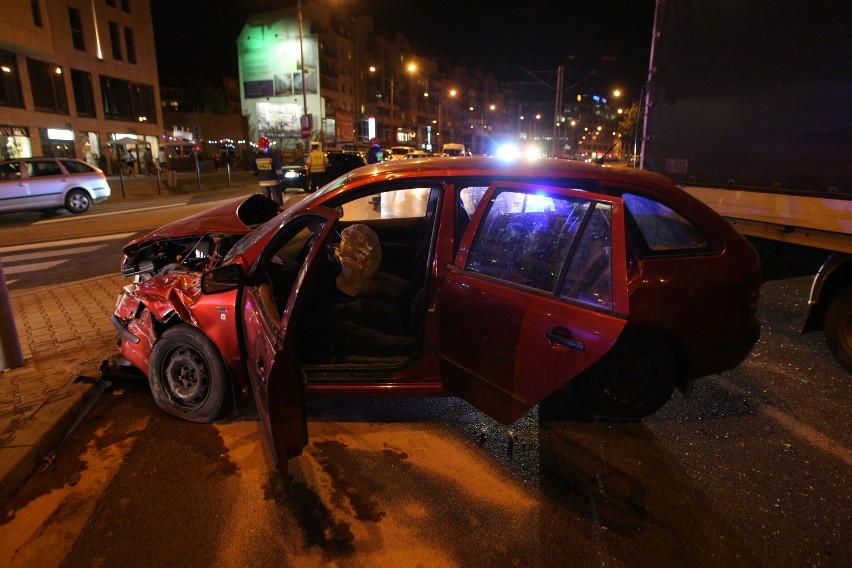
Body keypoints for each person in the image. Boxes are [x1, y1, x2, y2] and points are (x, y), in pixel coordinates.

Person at [250, 136, 284, 205]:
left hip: (262, 182)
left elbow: (252, 170)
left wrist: (259, 174)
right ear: (267, 145)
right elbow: (278, 169)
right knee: (277, 199)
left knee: (266, 200)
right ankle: (279, 213)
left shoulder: (255, 157)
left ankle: (268, 214)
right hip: (273, 182)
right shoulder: (272, 156)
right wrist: (281, 178)